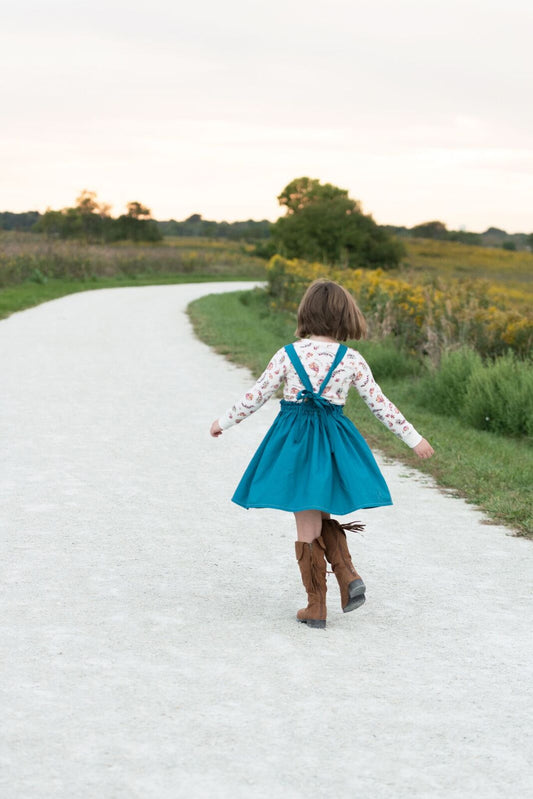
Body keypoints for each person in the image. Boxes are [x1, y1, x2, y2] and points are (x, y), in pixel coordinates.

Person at [210, 279, 434, 629]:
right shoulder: (352, 359)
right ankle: (347, 576)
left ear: (306, 313)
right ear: (346, 316)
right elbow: (380, 404)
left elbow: (257, 394)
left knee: (306, 520)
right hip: (333, 443)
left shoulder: (288, 354)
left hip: (296, 444)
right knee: (320, 509)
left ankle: (316, 606)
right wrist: (413, 438)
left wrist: (224, 421)